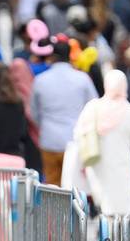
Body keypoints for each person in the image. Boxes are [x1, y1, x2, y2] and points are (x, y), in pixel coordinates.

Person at [63, 70, 130, 216]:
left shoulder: (92, 107)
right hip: (122, 163)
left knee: (102, 199)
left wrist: (82, 160)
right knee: (122, 202)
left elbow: (78, 134)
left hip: (96, 161)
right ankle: (120, 232)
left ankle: (105, 229)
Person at [31, 40, 98, 185]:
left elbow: (34, 113)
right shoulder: (83, 79)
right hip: (75, 140)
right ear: (70, 55)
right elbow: (93, 108)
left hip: (49, 140)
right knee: (75, 187)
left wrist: (45, 125)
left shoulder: (40, 80)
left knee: (52, 187)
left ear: (52, 56)